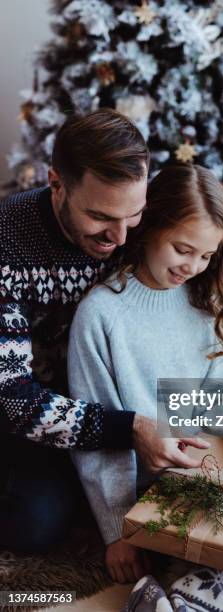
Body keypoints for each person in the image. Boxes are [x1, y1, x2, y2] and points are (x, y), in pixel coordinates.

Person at [0, 109, 209, 554]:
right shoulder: (7, 245)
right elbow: (14, 403)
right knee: (38, 523)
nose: (118, 236)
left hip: (103, 401)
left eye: (133, 215)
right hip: (24, 418)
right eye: (99, 217)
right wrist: (130, 428)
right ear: (56, 183)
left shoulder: (134, 226)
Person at [68, 164, 223, 584]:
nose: (194, 266)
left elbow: (214, 393)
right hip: (143, 491)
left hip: (202, 473)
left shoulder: (199, 301)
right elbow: (98, 438)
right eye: (183, 250)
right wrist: (118, 532)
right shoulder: (101, 315)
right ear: (149, 227)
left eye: (206, 256)